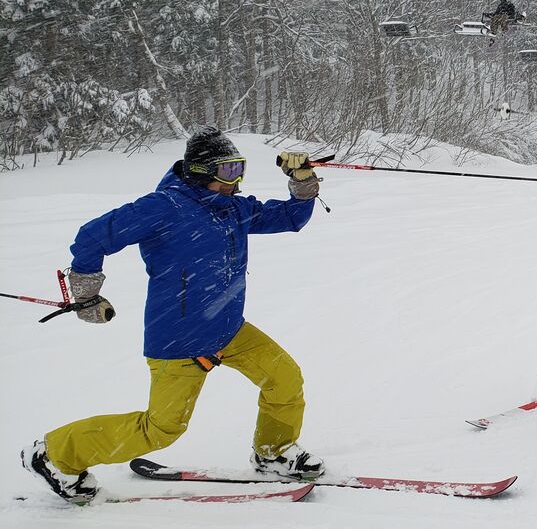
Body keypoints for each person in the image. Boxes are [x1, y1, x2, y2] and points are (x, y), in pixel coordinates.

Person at [20, 127, 325, 504]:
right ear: (200, 172)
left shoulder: (232, 208)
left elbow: (290, 218)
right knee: (161, 430)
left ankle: (274, 454)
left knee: (284, 378)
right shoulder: (163, 208)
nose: (237, 180)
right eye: (228, 171)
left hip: (228, 329)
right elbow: (93, 235)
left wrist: (303, 180)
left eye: (239, 168)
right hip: (178, 339)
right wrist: (86, 291)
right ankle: (54, 454)